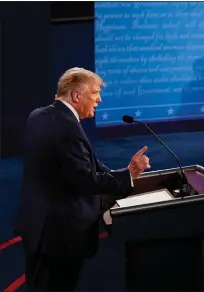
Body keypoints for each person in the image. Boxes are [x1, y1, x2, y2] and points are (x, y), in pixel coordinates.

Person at [14, 67, 151, 291]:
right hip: (59, 235)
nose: (99, 99)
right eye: (95, 93)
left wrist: (125, 173)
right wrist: (128, 176)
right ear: (77, 95)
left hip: (38, 226)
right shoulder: (67, 127)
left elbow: (86, 165)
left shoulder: (39, 115)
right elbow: (85, 179)